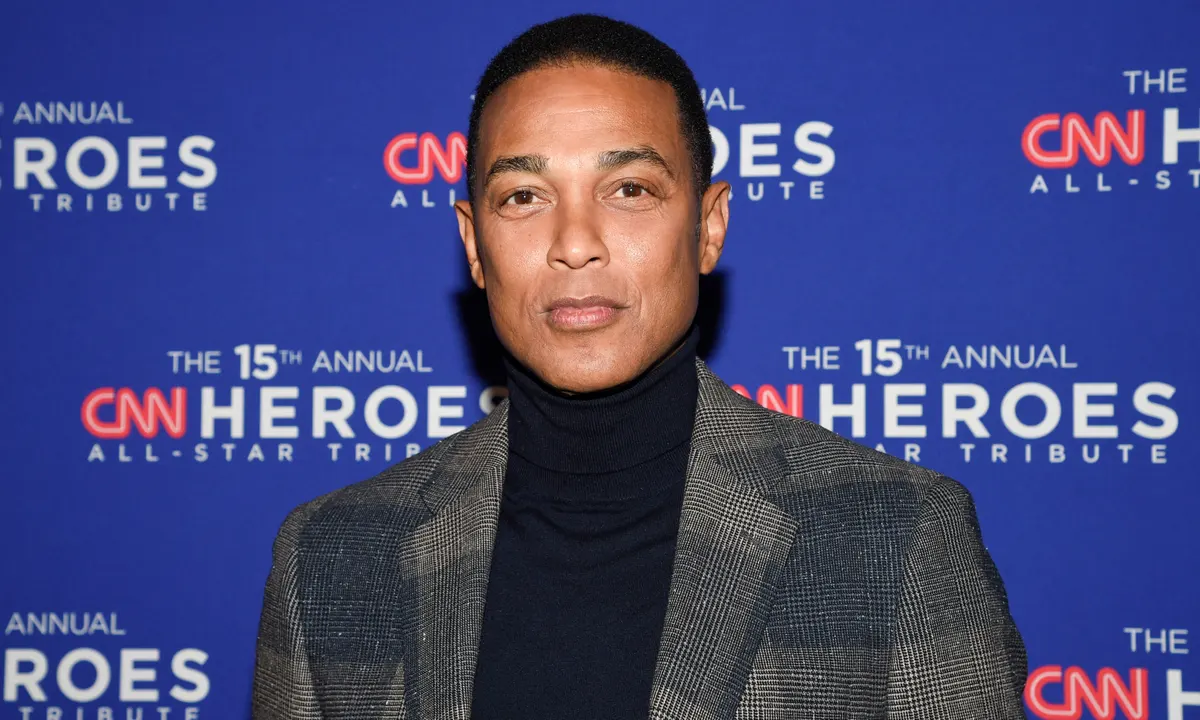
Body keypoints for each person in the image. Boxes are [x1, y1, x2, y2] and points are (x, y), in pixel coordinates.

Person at [251, 13, 1027, 719]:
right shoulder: (332, 557)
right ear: (473, 244)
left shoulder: (893, 536)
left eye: (628, 189)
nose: (574, 243)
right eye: (523, 196)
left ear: (709, 226)